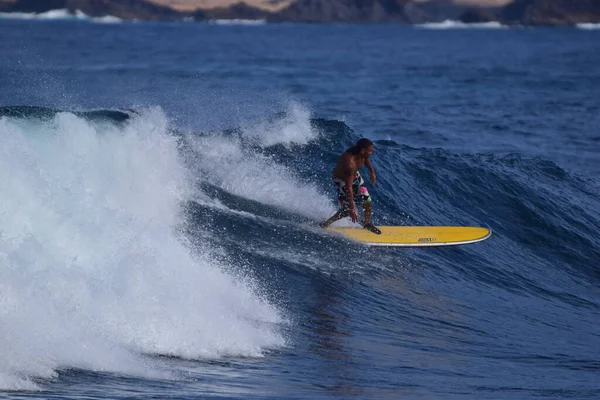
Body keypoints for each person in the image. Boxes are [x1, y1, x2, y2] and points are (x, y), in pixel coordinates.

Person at [319, 138, 381, 234]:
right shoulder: (350, 164)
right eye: (370, 151)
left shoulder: (360, 152)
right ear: (363, 151)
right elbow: (349, 188)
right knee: (347, 210)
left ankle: (367, 224)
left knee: (367, 201)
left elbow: (366, 158)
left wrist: (372, 171)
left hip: (354, 176)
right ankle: (325, 224)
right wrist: (352, 207)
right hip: (341, 181)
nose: (372, 153)